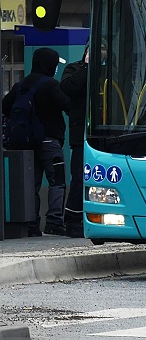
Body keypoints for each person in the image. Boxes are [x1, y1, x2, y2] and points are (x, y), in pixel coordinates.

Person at [2, 47, 71, 237]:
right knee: (57, 182)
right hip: (49, 141)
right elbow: (68, 106)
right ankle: (54, 221)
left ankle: (31, 225)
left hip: (27, 144)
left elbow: (5, 107)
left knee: (32, 183)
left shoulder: (20, 85)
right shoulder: (51, 85)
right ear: (49, 64)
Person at [60, 43, 92, 238]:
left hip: (107, 133)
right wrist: (87, 66)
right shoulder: (74, 69)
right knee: (79, 177)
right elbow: (69, 88)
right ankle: (72, 220)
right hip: (81, 135)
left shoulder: (111, 70)